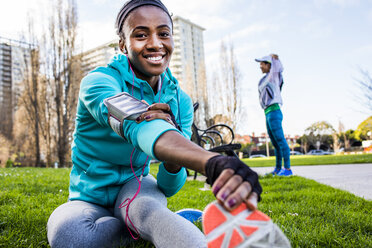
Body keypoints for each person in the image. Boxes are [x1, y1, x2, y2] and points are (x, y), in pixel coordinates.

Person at [47, 1, 262, 247]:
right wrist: (211, 162)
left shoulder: (180, 100)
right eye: (141, 35)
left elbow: (169, 187)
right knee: (69, 235)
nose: (155, 43)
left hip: (136, 188)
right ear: (122, 44)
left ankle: (149, 222)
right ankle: (137, 227)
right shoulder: (99, 82)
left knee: (147, 210)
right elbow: (134, 123)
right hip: (88, 197)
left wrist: (174, 159)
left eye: (163, 34)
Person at [255, 54, 293, 176]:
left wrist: (275, 59)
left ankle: (287, 169)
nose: (260, 66)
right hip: (267, 113)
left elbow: (278, 68)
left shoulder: (273, 76)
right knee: (275, 143)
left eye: (262, 63)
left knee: (280, 140)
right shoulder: (263, 79)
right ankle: (277, 169)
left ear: (269, 65)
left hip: (274, 111)